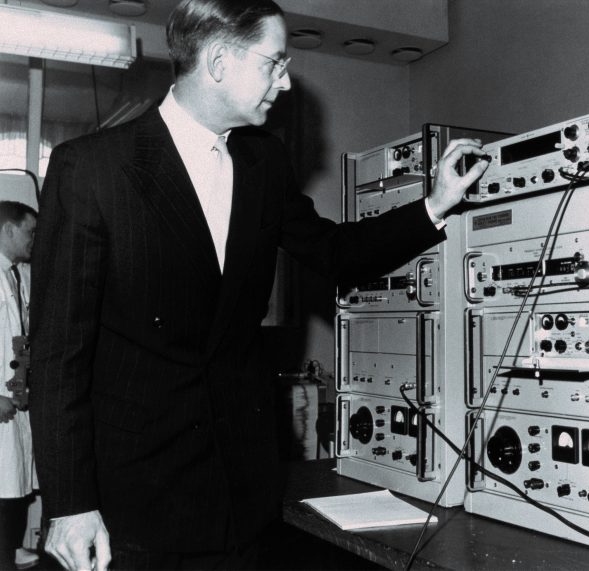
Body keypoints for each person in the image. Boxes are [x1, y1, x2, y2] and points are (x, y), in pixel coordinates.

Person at [29, 0, 490, 569]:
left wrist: (436, 204)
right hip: (136, 503)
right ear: (219, 60)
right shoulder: (93, 168)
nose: (287, 81)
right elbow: (57, 357)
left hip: (244, 493)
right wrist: (70, 505)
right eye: (274, 63)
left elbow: (333, 252)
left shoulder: (263, 162)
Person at [0, 201, 38, 571]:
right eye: (30, 232)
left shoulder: (17, 274)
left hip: (15, 393)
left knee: (14, 480)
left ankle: (9, 549)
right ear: (8, 230)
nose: (34, 240)